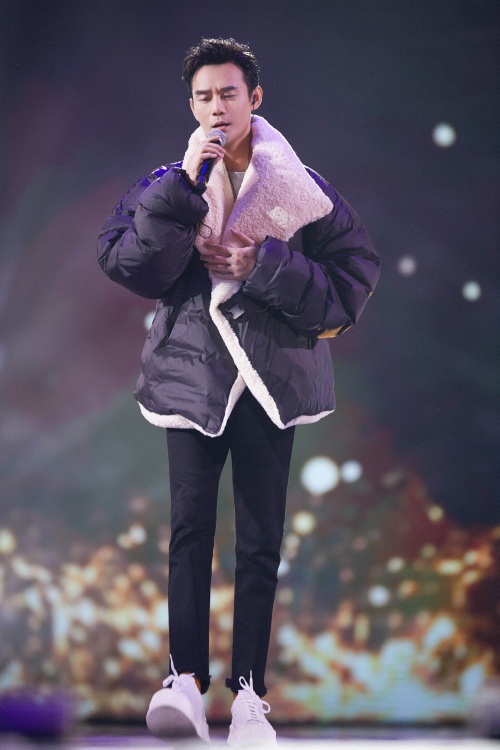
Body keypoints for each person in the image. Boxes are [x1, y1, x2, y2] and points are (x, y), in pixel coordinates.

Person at [97, 37, 380, 747]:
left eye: (228, 93)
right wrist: (180, 192)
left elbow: (353, 279)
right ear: (191, 106)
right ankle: (185, 683)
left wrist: (263, 265)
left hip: (269, 379)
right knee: (189, 532)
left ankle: (250, 695)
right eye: (203, 96)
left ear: (254, 98)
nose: (216, 107)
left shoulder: (302, 188)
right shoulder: (170, 181)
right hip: (193, 378)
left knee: (260, 541)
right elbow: (128, 263)